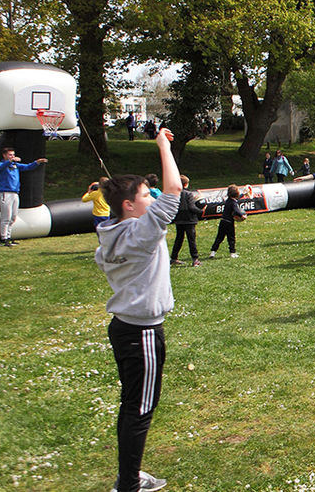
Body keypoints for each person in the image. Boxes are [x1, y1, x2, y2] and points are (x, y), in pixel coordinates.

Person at [95, 127, 182, 492]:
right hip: (143, 333)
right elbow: (175, 192)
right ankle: (129, 484)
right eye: (147, 195)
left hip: (123, 328)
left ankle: (128, 475)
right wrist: (163, 145)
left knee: (131, 406)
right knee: (139, 411)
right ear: (128, 206)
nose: (153, 197)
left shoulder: (110, 233)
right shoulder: (140, 235)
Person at [0, 148, 48, 246]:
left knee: (13, 217)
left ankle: (9, 237)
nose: (12, 156)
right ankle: (3, 239)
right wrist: (10, 161)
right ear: (4, 155)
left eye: (13, 155)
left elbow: (27, 167)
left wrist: (37, 162)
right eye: (10, 155)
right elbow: (2, 166)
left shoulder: (15, 165)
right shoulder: (0, 165)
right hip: (5, 193)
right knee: (6, 217)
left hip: (15, 193)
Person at [170, 175, 206, 267]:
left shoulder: (175, 193)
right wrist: (201, 211)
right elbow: (191, 207)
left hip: (179, 219)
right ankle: (195, 259)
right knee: (191, 239)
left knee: (179, 238)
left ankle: (174, 258)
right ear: (186, 184)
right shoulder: (189, 194)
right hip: (189, 220)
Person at [209, 185, 246, 258]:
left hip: (223, 221)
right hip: (229, 222)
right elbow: (236, 210)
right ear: (236, 194)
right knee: (231, 238)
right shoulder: (234, 203)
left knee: (219, 238)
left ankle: (213, 252)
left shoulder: (228, 200)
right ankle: (232, 253)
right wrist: (242, 215)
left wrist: (243, 194)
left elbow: (236, 199)